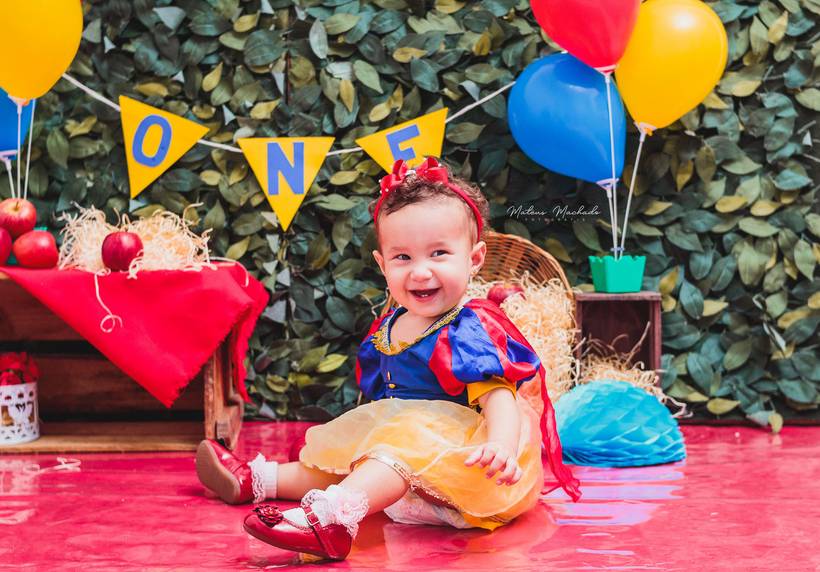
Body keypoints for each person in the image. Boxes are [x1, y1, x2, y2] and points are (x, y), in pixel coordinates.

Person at [196, 157, 581, 562]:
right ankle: (256, 480)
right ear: (382, 265)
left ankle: (332, 521)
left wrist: (501, 445)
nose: (420, 272)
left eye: (439, 253)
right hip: (405, 476)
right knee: (350, 460)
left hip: (465, 470)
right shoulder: (391, 324)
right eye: (403, 258)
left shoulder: (466, 329)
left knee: (393, 454)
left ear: (474, 258)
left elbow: (498, 395)